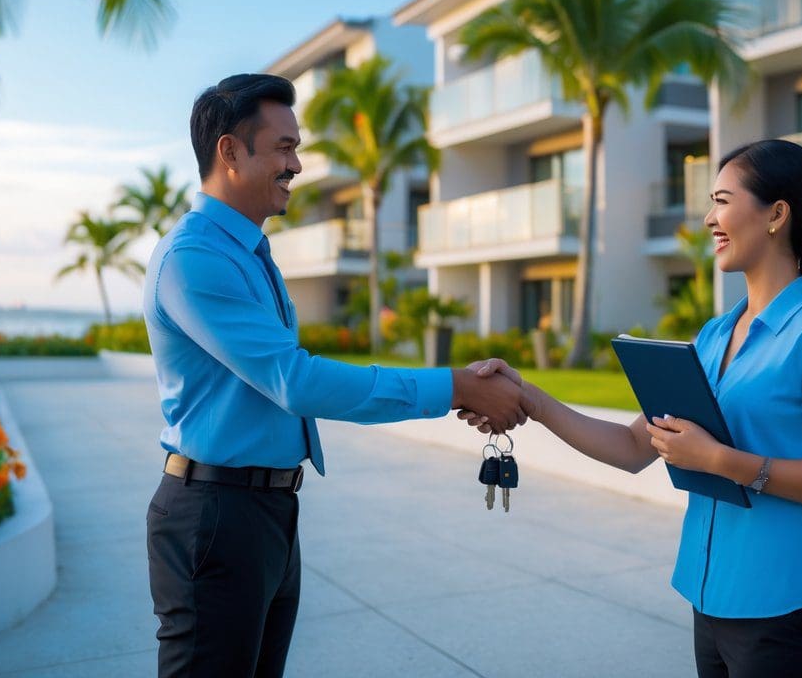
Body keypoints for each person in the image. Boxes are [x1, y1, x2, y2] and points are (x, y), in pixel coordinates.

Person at [143, 73, 524, 678]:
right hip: (215, 516)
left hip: (263, 511)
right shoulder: (195, 258)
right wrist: (453, 387)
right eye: (284, 147)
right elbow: (296, 381)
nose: (296, 164)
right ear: (230, 152)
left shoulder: (245, 254)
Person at [466, 139, 802, 678]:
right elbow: (634, 447)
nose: (710, 218)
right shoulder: (714, 334)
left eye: (723, 201)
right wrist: (528, 399)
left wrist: (722, 460)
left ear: (777, 215)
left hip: (787, 608)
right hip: (710, 600)